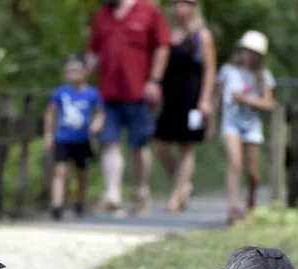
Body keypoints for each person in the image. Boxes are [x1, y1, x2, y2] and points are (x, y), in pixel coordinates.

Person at [86, 0, 171, 216]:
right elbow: (93, 52)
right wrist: (84, 82)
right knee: (109, 142)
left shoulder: (149, 11)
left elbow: (162, 46)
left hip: (138, 91)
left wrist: (155, 80)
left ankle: (141, 191)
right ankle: (113, 195)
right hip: (107, 92)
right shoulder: (102, 15)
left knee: (139, 145)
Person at [154, 0, 216, 213]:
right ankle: (181, 184)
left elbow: (209, 70)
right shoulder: (165, 32)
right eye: (177, 3)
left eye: (187, 3)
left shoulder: (202, 36)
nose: (181, 7)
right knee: (161, 145)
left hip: (192, 96)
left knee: (186, 146)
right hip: (169, 95)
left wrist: (206, 100)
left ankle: (176, 195)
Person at [217, 30, 276, 224]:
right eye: (246, 51)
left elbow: (268, 104)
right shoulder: (228, 71)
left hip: (252, 126)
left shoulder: (264, 77)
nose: (249, 55)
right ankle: (233, 207)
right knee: (235, 163)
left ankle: (251, 204)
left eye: (254, 52)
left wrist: (245, 99)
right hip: (231, 123)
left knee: (252, 172)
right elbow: (216, 95)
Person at [44, 53, 105, 220]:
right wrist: (49, 135)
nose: (74, 75)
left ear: (85, 72)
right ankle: (57, 203)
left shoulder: (93, 94)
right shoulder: (60, 93)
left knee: (82, 173)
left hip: (83, 139)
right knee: (60, 171)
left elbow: (100, 113)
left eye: (77, 71)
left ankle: (80, 201)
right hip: (63, 138)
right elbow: (51, 114)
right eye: (70, 72)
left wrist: (96, 124)